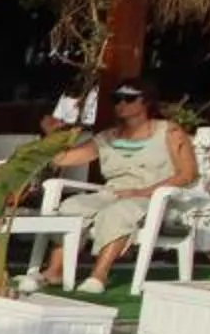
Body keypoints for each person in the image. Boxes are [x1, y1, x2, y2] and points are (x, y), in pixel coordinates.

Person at [46, 82, 196, 292]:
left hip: (155, 196)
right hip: (112, 193)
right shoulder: (108, 137)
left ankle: (99, 275)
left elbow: (187, 173)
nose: (121, 103)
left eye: (129, 98)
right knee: (72, 206)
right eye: (117, 99)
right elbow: (62, 159)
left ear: (146, 102)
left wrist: (141, 192)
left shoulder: (168, 131)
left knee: (118, 212)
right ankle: (54, 271)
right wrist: (53, 136)